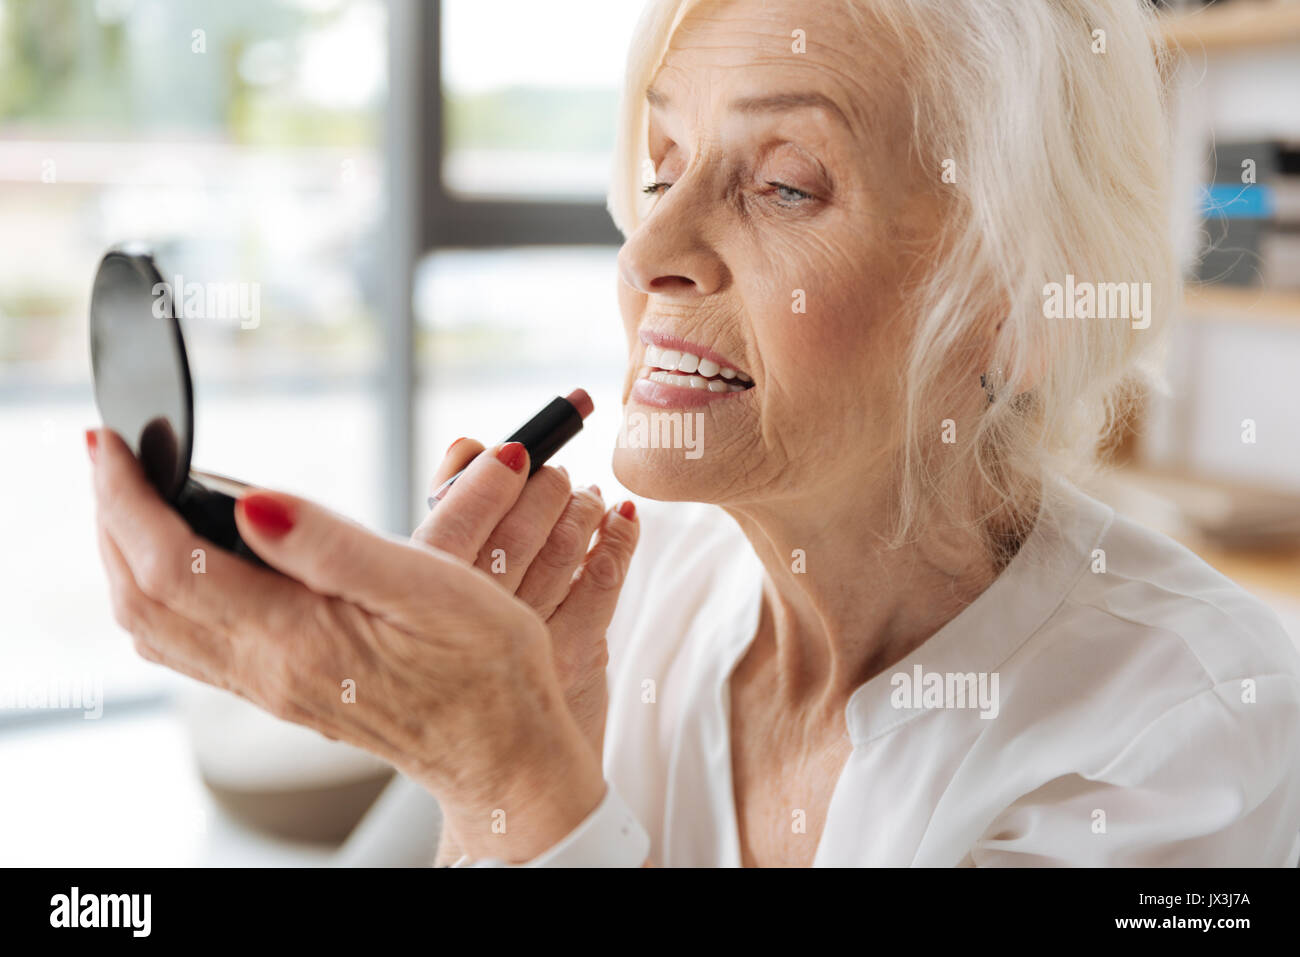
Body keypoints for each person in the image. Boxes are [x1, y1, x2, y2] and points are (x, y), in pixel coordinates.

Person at [89, 0, 1300, 866]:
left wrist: (513, 771)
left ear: (1015, 309)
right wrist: (500, 739)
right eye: (663, 166)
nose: (648, 252)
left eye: (783, 182)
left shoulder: (1192, 729)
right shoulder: (647, 577)